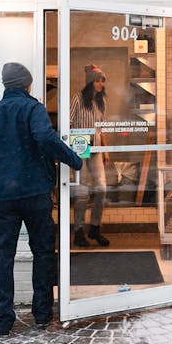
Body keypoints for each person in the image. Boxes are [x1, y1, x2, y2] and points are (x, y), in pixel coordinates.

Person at [0, 62, 83, 337]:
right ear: (27, 84)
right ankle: (41, 314)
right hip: (35, 193)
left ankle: (3, 320)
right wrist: (73, 159)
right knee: (43, 251)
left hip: (4, 197)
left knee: (2, 256)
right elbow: (45, 137)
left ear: (5, 84)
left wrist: (0, 182)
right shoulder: (33, 109)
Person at [70, 64, 111, 247]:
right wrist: (71, 149)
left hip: (96, 148)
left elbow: (101, 128)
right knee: (82, 192)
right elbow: (68, 123)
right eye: (97, 81)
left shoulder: (101, 102)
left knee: (101, 189)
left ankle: (95, 227)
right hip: (80, 145)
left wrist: (105, 150)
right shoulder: (77, 99)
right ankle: (78, 231)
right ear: (90, 82)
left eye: (103, 80)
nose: (101, 84)